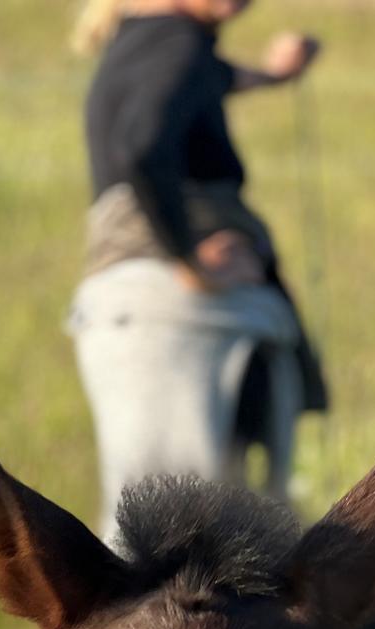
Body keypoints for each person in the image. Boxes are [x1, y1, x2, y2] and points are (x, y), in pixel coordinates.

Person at [68, 1, 327, 537]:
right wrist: (187, 257)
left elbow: (202, 79)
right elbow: (142, 144)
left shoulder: (146, 40)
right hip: (184, 315)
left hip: (125, 312)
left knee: (142, 546)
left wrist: (271, 75)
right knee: (202, 549)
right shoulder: (178, 42)